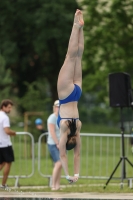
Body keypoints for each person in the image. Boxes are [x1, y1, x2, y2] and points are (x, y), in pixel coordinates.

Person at [57, 9, 84, 183]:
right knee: (70, 56)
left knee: (78, 57)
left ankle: (81, 28)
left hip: (77, 93)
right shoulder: (64, 129)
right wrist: (67, 175)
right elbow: (63, 155)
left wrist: (76, 175)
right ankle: (76, 25)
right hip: (66, 95)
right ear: (67, 141)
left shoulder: (78, 128)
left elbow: (77, 155)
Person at [0, 99, 16, 189]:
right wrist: (13, 133)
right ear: (4, 107)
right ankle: (3, 184)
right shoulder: (5, 117)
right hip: (5, 143)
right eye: (9, 107)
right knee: (8, 163)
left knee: (1, 163)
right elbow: (7, 131)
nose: (10, 109)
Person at [47, 100, 62, 190]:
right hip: (53, 143)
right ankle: (53, 184)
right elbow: (52, 131)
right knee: (58, 163)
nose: (59, 108)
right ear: (55, 107)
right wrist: (57, 143)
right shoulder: (52, 117)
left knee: (61, 165)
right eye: (57, 107)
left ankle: (58, 185)